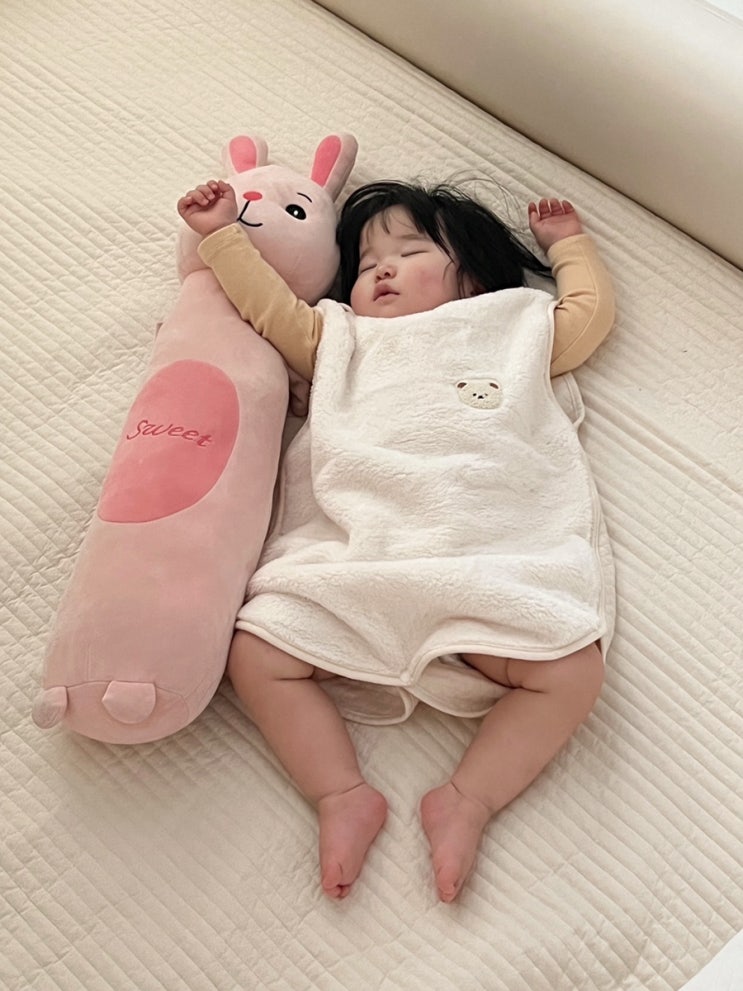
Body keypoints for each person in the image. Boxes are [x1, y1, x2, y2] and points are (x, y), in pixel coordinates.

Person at [177, 177, 615, 903]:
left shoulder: (513, 328)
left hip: (486, 557)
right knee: (257, 651)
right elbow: (269, 308)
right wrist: (223, 235)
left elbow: (588, 315)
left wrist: (568, 246)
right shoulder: (341, 337)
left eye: (410, 253)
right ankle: (340, 792)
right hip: (360, 553)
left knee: (572, 671)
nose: (381, 270)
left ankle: (467, 798)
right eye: (366, 263)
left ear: (477, 275)